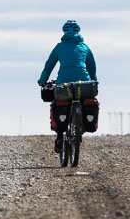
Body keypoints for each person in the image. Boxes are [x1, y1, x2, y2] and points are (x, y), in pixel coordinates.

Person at [38, 20, 98, 152]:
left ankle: (59, 136)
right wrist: (94, 81)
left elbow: (49, 66)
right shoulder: (85, 47)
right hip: (84, 83)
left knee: (58, 103)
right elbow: (92, 68)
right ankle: (80, 124)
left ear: (64, 32)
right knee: (85, 102)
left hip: (63, 83)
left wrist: (42, 80)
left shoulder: (59, 47)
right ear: (78, 32)